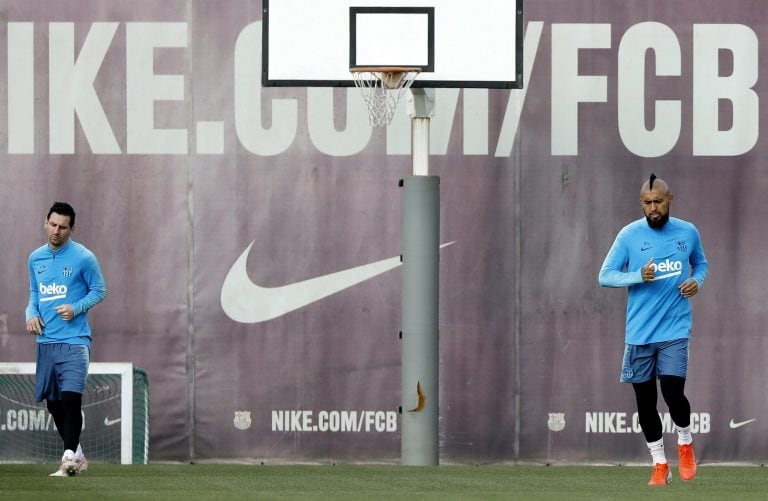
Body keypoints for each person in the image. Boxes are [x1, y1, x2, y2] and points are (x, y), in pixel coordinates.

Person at [598, 174, 708, 486]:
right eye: (647, 203)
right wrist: (636, 276)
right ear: (641, 204)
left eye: (658, 201)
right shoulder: (629, 235)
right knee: (645, 403)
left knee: (673, 393)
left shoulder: (687, 232)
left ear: (670, 199)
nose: (653, 207)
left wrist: (695, 282)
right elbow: (605, 276)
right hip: (639, 334)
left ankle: (685, 442)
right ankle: (660, 464)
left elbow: (701, 265)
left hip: (674, 329)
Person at [25, 202, 107, 477]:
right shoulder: (35, 258)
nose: (56, 231)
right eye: (53, 224)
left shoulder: (84, 258)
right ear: (45, 222)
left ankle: (68, 458)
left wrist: (76, 308)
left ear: (72, 229)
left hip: (75, 340)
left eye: (63, 227)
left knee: (72, 399)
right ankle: (79, 455)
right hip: (46, 341)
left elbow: (99, 290)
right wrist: (30, 314)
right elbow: (34, 293)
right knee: (53, 403)